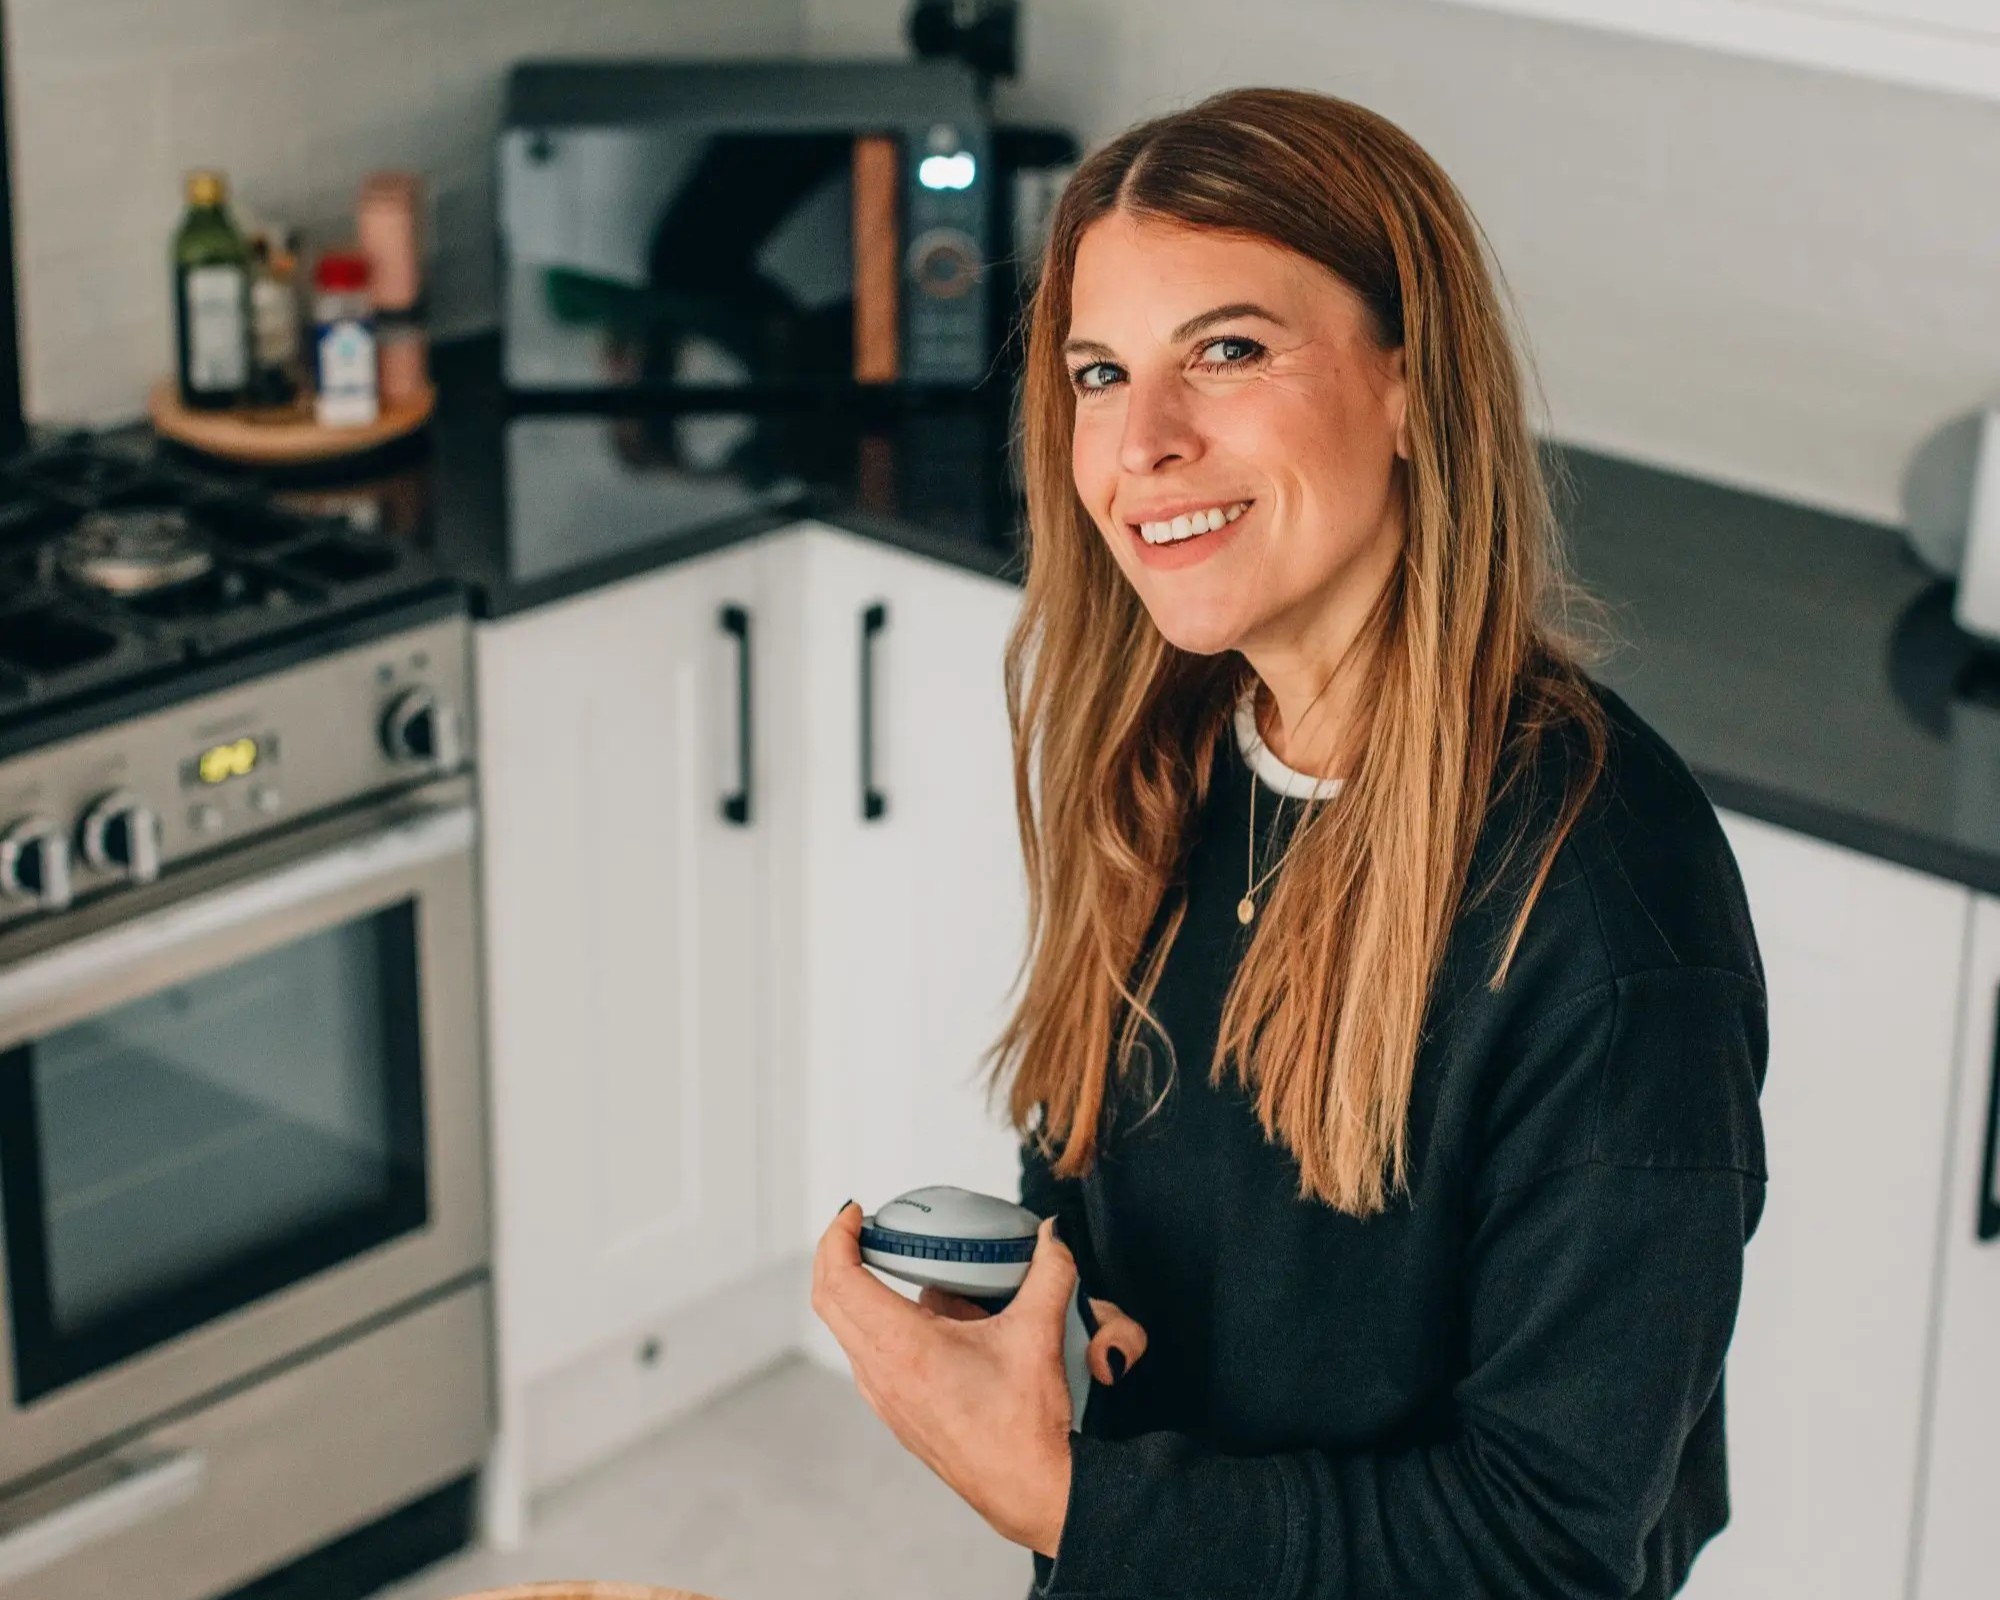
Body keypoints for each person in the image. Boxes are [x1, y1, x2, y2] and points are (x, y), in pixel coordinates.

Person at [811, 85, 1767, 1600]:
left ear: (1410, 388)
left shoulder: (1601, 916)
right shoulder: (1172, 744)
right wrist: (1052, 1302)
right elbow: (1108, 1158)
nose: (1143, 443)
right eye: (1101, 373)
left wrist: (1062, 1498)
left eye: (1230, 352)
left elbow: (1545, 1551)